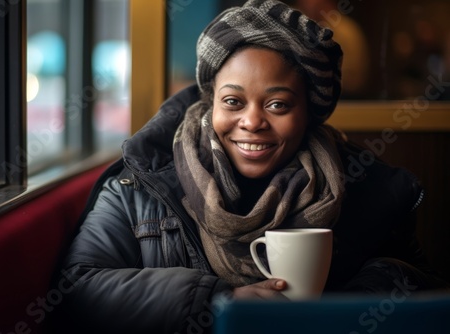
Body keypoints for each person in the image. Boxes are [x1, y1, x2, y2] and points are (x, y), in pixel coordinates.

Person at [54, 1, 449, 333]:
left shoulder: (363, 182)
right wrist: (217, 302)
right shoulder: (142, 178)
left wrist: (340, 307)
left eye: (277, 104)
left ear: (308, 112)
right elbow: (77, 288)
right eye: (233, 101)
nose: (252, 121)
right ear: (211, 100)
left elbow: (420, 283)